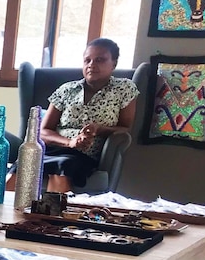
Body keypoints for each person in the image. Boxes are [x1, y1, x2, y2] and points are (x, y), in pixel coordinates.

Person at [39, 37, 139, 193]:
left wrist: (98, 129)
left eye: (100, 60)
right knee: (26, 163)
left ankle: (53, 208)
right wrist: (70, 142)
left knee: (64, 164)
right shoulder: (67, 89)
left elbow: (126, 128)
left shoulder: (124, 88)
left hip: (84, 156)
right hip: (54, 149)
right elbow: (43, 131)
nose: (91, 65)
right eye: (87, 60)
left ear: (114, 64)